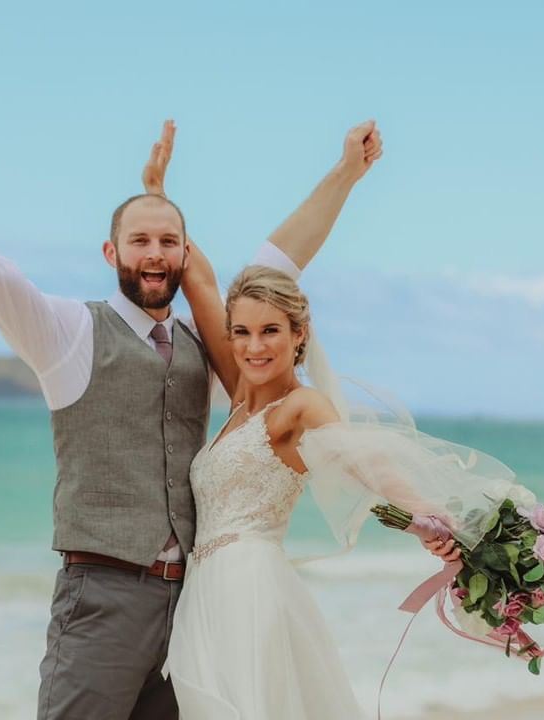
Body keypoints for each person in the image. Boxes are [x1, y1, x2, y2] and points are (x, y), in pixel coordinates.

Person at [0, 119, 386, 720]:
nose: (154, 252)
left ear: (184, 255)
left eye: (167, 242)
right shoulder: (69, 333)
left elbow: (277, 264)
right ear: (112, 253)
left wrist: (346, 174)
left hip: (194, 612)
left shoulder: (213, 348)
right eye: (139, 241)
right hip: (103, 600)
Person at [164, 246, 464, 718]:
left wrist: (427, 518)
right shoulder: (241, 400)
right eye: (241, 332)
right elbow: (200, 283)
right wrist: (163, 218)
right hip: (204, 590)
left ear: (298, 334)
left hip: (248, 586)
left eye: (270, 331)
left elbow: (366, 462)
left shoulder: (301, 407)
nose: (254, 347)